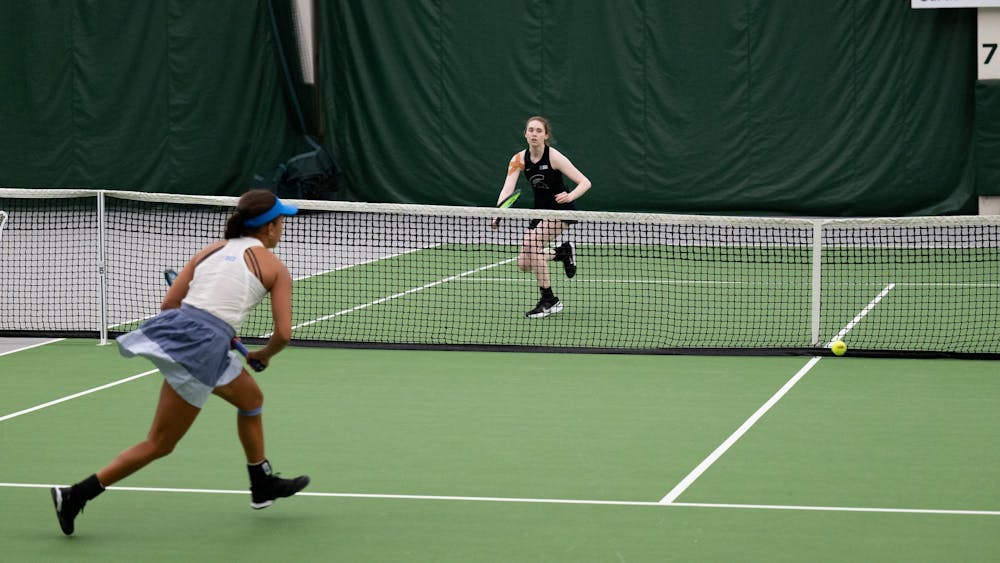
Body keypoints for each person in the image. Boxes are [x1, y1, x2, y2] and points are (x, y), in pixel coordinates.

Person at [51, 190, 310, 536]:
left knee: (251, 400)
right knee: (160, 443)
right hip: (201, 348)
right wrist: (262, 355)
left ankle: (261, 483)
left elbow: (170, 303)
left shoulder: (210, 251)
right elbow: (283, 334)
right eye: (281, 222)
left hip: (189, 334)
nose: (283, 228)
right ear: (269, 229)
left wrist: (210, 331)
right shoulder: (275, 267)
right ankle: (75, 496)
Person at [493, 116, 592, 318]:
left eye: (539, 130)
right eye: (531, 130)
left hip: (561, 211)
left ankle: (549, 300)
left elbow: (585, 182)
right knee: (524, 264)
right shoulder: (518, 159)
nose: (534, 134)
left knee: (531, 244)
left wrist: (570, 195)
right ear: (525, 134)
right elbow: (507, 189)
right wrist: (497, 213)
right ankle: (561, 253)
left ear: (546, 135)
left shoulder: (555, 157)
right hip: (539, 212)